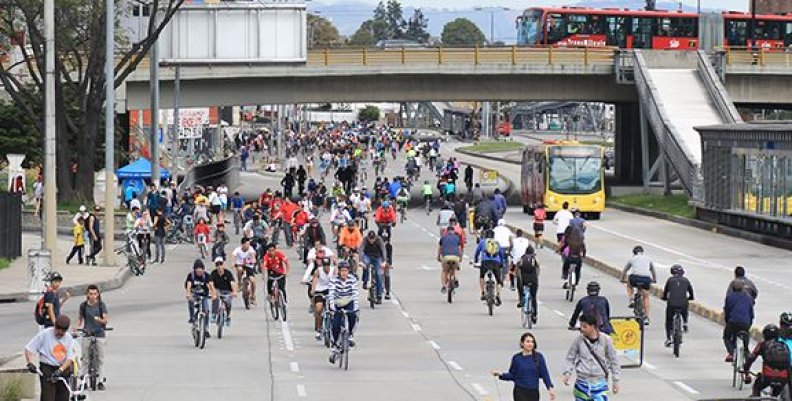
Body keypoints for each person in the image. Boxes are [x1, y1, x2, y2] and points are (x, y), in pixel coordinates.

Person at [562, 314, 621, 401]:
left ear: (593, 326)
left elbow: (614, 360)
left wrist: (616, 380)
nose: (582, 329)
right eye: (581, 326)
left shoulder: (606, 340)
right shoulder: (579, 340)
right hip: (582, 383)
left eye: (585, 326)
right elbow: (570, 357)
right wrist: (567, 373)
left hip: (599, 383)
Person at [492, 332, 556, 401]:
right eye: (527, 342)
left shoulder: (538, 357)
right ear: (522, 343)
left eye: (532, 342)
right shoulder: (516, 358)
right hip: (520, 391)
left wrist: (550, 387)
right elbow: (513, 375)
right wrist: (501, 374)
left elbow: (544, 374)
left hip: (534, 392)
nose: (530, 344)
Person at [25, 315, 75, 401]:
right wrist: (30, 363)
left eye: (62, 333)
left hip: (62, 368)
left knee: (63, 396)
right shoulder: (45, 334)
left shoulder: (68, 338)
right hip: (47, 368)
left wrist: (60, 370)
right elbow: (29, 349)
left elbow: (70, 359)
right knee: (48, 397)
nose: (59, 334)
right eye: (57, 331)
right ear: (54, 326)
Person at [742, 324, 791, 398]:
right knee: (777, 394)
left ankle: (756, 397)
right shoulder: (784, 345)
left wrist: (746, 372)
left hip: (767, 377)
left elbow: (751, 359)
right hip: (783, 378)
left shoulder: (762, 345)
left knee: (757, 387)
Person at [75, 285, 109, 390]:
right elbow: (80, 319)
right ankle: (83, 381)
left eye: (95, 294)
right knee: (85, 359)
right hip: (87, 333)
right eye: (90, 294)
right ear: (87, 294)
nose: (93, 296)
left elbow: (106, 320)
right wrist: (76, 327)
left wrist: (100, 320)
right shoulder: (83, 306)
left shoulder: (101, 305)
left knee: (100, 359)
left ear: (98, 294)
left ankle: (100, 381)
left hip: (99, 333)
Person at [328, 260, 359, 363]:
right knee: (335, 325)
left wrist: (356, 307)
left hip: (349, 301)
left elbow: (355, 294)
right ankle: (335, 346)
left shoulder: (353, 279)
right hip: (337, 303)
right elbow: (331, 294)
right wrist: (332, 308)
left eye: (346, 271)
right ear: (339, 271)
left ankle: (350, 334)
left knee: (353, 316)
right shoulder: (333, 280)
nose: (344, 273)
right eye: (342, 271)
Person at [620, 245, 657, 324]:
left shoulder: (632, 259)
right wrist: (654, 279)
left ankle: (631, 298)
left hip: (635, 278)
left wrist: (622, 279)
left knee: (629, 285)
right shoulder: (648, 259)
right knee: (646, 297)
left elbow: (625, 270)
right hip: (646, 279)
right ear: (642, 252)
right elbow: (653, 271)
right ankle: (646, 317)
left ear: (634, 253)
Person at [661, 264, 694, 347]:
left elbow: (665, 292)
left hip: (671, 303)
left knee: (669, 320)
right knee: (685, 308)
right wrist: (691, 298)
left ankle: (669, 338)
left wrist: (664, 298)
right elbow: (691, 292)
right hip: (683, 303)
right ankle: (685, 322)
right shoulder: (686, 280)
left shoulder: (670, 280)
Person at [723, 280, 754, 362]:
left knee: (726, 337)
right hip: (745, 323)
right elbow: (751, 313)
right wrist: (749, 324)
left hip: (732, 322)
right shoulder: (748, 297)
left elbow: (727, 311)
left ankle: (731, 353)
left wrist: (727, 322)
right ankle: (747, 351)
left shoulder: (729, 297)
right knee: (746, 334)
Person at [474, 229, 506, 306]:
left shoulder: (482, 242)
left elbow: (477, 252)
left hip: (485, 262)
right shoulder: (497, 243)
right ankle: (498, 295)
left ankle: (483, 293)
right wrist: (501, 263)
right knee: (499, 281)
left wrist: (475, 260)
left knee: (482, 276)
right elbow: (501, 254)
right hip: (496, 262)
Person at [185, 259, 216, 338]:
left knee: (206, 310)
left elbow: (211, 285)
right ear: (195, 270)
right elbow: (188, 285)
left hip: (204, 295)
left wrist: (214, 294)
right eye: (197, 270)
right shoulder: (191, 275)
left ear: (203, 269)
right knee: (191, 301)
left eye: (201, 270)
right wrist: (188, 294)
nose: (199, 272)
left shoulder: (206, 276)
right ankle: (192, 317)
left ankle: (206, 329)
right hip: (194, 294)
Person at [359, 231, 388, 302]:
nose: (371, 240)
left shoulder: (379, 240)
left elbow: (383, 250)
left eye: (373, 239)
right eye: (370, 239)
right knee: (366, 264)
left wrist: (384, 261)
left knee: (379, 274)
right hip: (368, 256)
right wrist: (360, 261)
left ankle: (379, 294)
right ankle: (365, 280)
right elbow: (361, 250)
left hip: (377, 257)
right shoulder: (365, 240)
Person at [209, 257, 238, 326]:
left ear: (223, 264)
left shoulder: (228, 273)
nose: (219, 266)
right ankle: (214, 314)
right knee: (215, 298)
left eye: (221, 264)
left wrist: (234, 292)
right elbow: (211, 283)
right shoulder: (213, 273)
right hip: (218, 290)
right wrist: (213, 292)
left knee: (228, 302)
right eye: (217, 264)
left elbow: (232, 283)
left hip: (227, 291)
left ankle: (228, 316)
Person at [515, 246, 540, 323]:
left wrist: (518, 278)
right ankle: (535, 315)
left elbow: (517, 269)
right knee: (533, 297)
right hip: (533, 279)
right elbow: (538, 268)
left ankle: (521, 299)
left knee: (520, 287)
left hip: (523, 279)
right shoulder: (534, 258)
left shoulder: (522, 258)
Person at [232, 238, 259, 305]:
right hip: (240, 265)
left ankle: (253, 295)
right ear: (242, 244)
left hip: (249, 266)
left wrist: (253, 260)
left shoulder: (251, 249)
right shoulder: (238, 249)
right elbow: (233, 256)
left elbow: (253, 255)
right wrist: (232, 263)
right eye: (247, 244)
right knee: (239, 269)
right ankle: (239, 283)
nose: (248, 245)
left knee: (253, 281)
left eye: (248, 244)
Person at [437, 224, 462, 293]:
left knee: (444, 271)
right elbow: (460, 249)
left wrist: (438, 256)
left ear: (447, 231)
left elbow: (440, 248)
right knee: (456, 268)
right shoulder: (457, 237)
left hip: (446, 257)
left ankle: (444, 286)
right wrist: (460, 257)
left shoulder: (443, 237)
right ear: (453, 231)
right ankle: (456, 279)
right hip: (455, 257)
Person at [493, 219, 515, 290]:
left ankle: (497, 276)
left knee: (496, 261)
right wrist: (510, 250)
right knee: (505, 262)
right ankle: (504, 277)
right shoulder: (507, 230)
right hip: (505, 247)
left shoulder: (494, 229)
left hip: (497, 247)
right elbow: (511, 242)